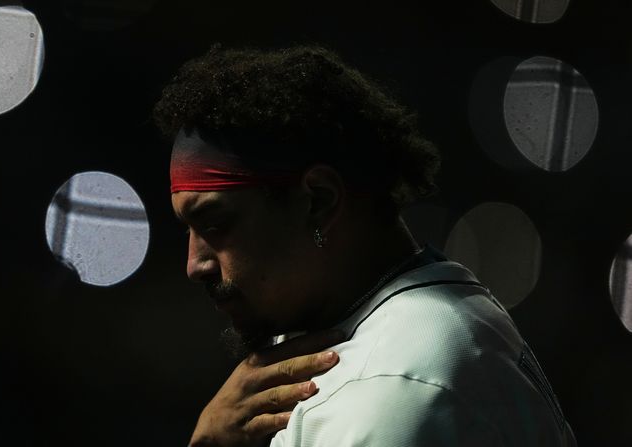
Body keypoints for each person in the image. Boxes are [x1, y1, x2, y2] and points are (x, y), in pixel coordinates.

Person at [153, 44, 577, 446]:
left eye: (215, 223)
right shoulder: (428, 322)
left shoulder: (390, 389)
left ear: (318, 201)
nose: (194, 264)